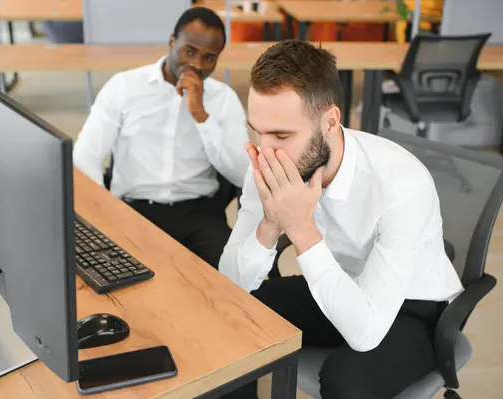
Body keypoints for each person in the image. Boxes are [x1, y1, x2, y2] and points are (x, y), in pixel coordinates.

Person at [218, 40, 464, 399]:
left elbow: (365, 333)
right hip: (338, 279)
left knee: (345, 381)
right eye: (258, 131)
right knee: (232, 316)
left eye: (282, 135)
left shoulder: (401, 183)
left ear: (330, 121)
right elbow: (231, 284)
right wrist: (270, 224)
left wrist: (301, 229)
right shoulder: (271, 165)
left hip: (412, 306)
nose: (265, 151)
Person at [73, 7, 249, 269]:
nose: (198, 65)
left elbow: (243, 174)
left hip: (199, 212)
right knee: (115, 281)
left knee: (237, 281)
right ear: (171, 42)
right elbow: (85, 156)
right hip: (133, 210)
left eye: (209, 58)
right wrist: (106, 214)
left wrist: (201, 116)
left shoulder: (223, 99)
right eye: (189, 51)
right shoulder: (124, 86)